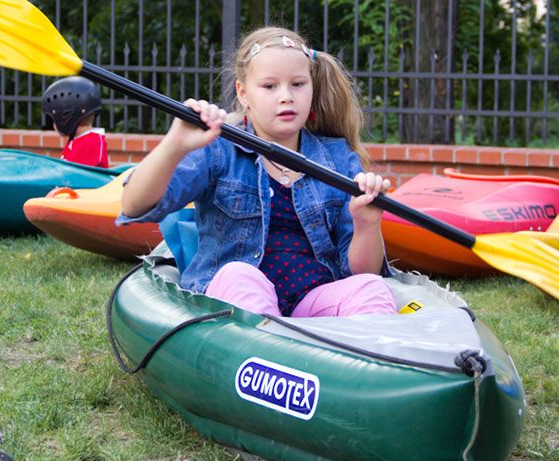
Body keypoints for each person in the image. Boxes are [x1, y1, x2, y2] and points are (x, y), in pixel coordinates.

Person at [119, 26, 396, 318]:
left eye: (298, 84)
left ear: (312, 88)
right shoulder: (218, 149)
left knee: (371, 289)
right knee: (240, 276)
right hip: (239, 293)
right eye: (269, 86)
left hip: (312, 299)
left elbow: (361, 272)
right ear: (243, 93)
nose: (286, 97)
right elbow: (133, 204)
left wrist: (367, 224)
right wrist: (174, 145)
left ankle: (350, 358)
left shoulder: (339, 158)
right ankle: (269, 351)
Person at [42, 76, 109, 168]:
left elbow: (70, 179)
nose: (53, 125)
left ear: (67, 117)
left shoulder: (89, 145)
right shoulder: (81, 140)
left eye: (54, 119)